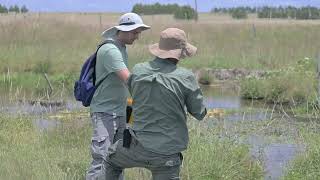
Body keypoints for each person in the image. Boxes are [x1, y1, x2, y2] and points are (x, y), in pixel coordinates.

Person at [103, 28, 207, 180]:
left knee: (110, 160)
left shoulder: (138, 70)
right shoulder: (186, 77)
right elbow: (199, 113)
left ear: (159, 50)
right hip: (167, 154)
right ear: (180, 53)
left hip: (136, 147)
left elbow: (135, 96)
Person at [86, 13, 150, 180]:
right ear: (124, 30)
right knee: (101, 159)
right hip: (105, 113)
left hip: (120, 112)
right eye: (136, 32)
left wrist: (131, 114)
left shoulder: (121, 48)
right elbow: (129, 80)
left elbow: (125, 88)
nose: (138, 36)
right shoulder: (110, 50)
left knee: (118, 159)